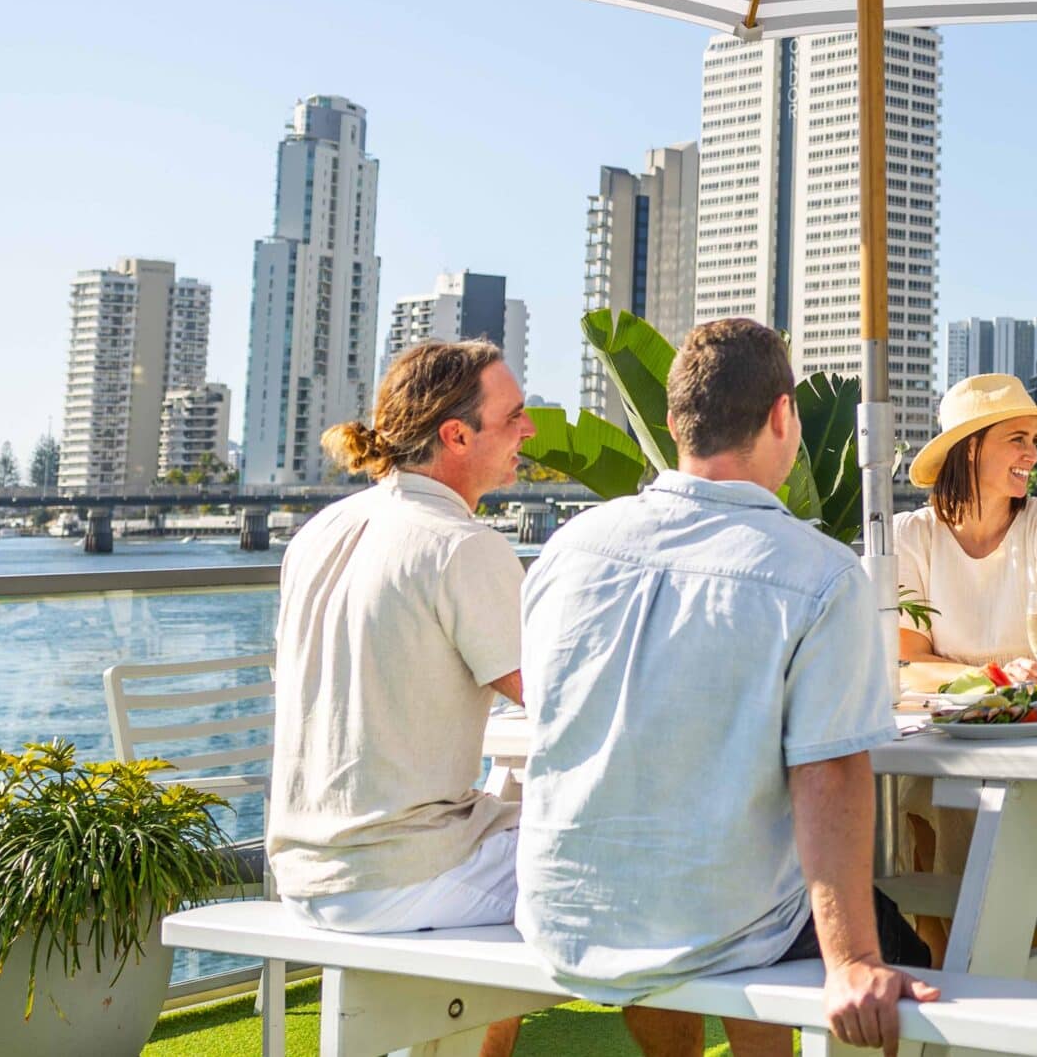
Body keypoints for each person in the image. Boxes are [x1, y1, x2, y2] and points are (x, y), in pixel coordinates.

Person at [516, 319, 934, 1057]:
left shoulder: (566, 551)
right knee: (909, 950)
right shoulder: (820, 573)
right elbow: (830, 771)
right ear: (782, 416)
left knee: (730, 877)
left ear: (676, 424)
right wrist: (855, 962)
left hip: (566, 917)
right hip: (717, 922)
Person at [268, 340, 537, 1057]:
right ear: (456, 435)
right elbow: (562, 704)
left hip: (303, 868)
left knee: (515, 827)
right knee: (622, 863)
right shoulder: (459, 544)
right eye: (514, 416)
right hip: (398, 873)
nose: (529, 431)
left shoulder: (319, 533)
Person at [895, 372, 1037, 698]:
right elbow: (908, 663)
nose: (1033, 455)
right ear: (971, 448)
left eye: (1034, 439)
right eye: (1018, 439)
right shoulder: (909, 535)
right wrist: (993, 680)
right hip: (942, 729)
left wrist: (1023, 713)